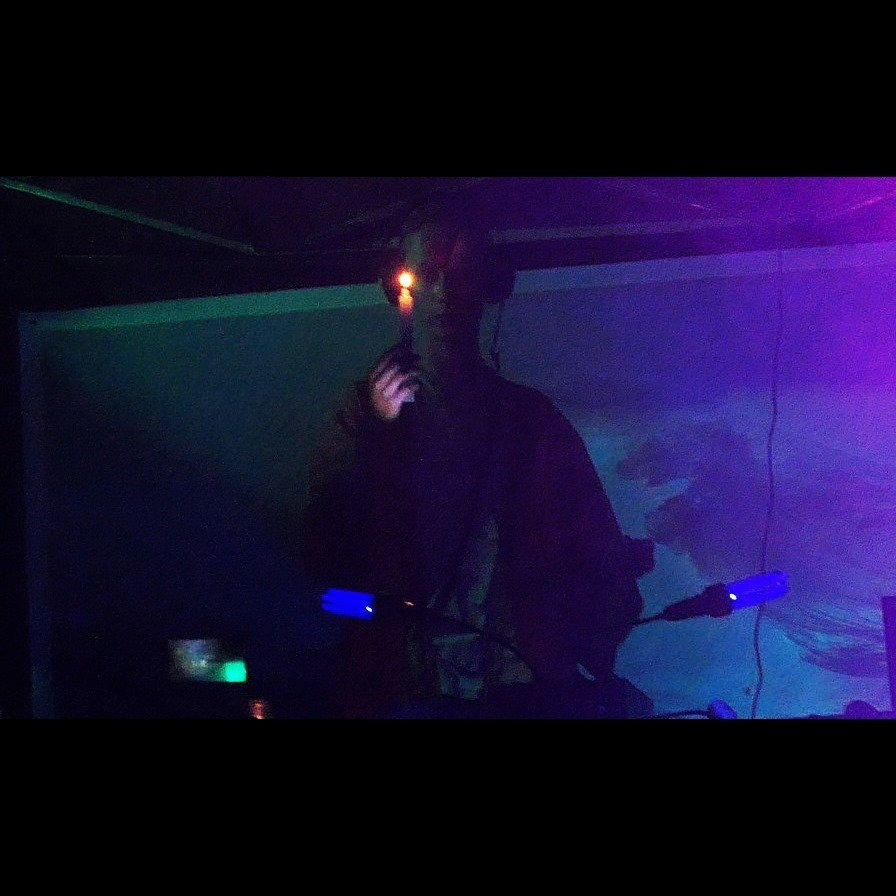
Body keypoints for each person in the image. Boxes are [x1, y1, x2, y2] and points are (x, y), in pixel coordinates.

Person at [299, 191, 653, 719]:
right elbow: (321, 547)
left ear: (491, 284)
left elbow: (595, 550)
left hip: (518, 680)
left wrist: (591, 643)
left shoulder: (532, 421)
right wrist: (378, 434)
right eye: (428, 274)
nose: (444, 293)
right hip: (403, 681)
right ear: (400, 284)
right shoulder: (361, 415)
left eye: (461, 275)